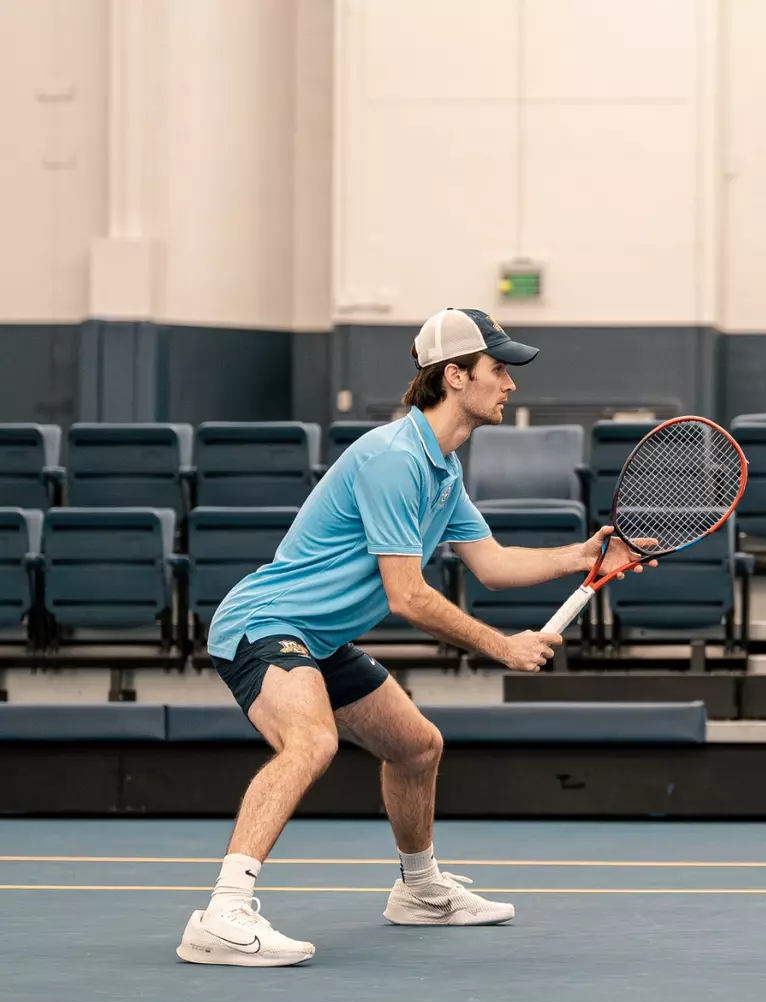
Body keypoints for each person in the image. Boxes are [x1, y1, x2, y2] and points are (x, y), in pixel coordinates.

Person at [177, 307, 651, 967]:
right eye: (499, 369)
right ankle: (224, 911)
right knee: (311, 741)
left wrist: (585, 557)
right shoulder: (394, 458)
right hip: (266, 624)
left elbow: (492, 565)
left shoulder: (441, 472)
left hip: (319, 636)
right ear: (454, 376)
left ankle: (421, 891)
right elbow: (408, 596)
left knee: (417, 747)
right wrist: (502, 646)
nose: (511, 385)